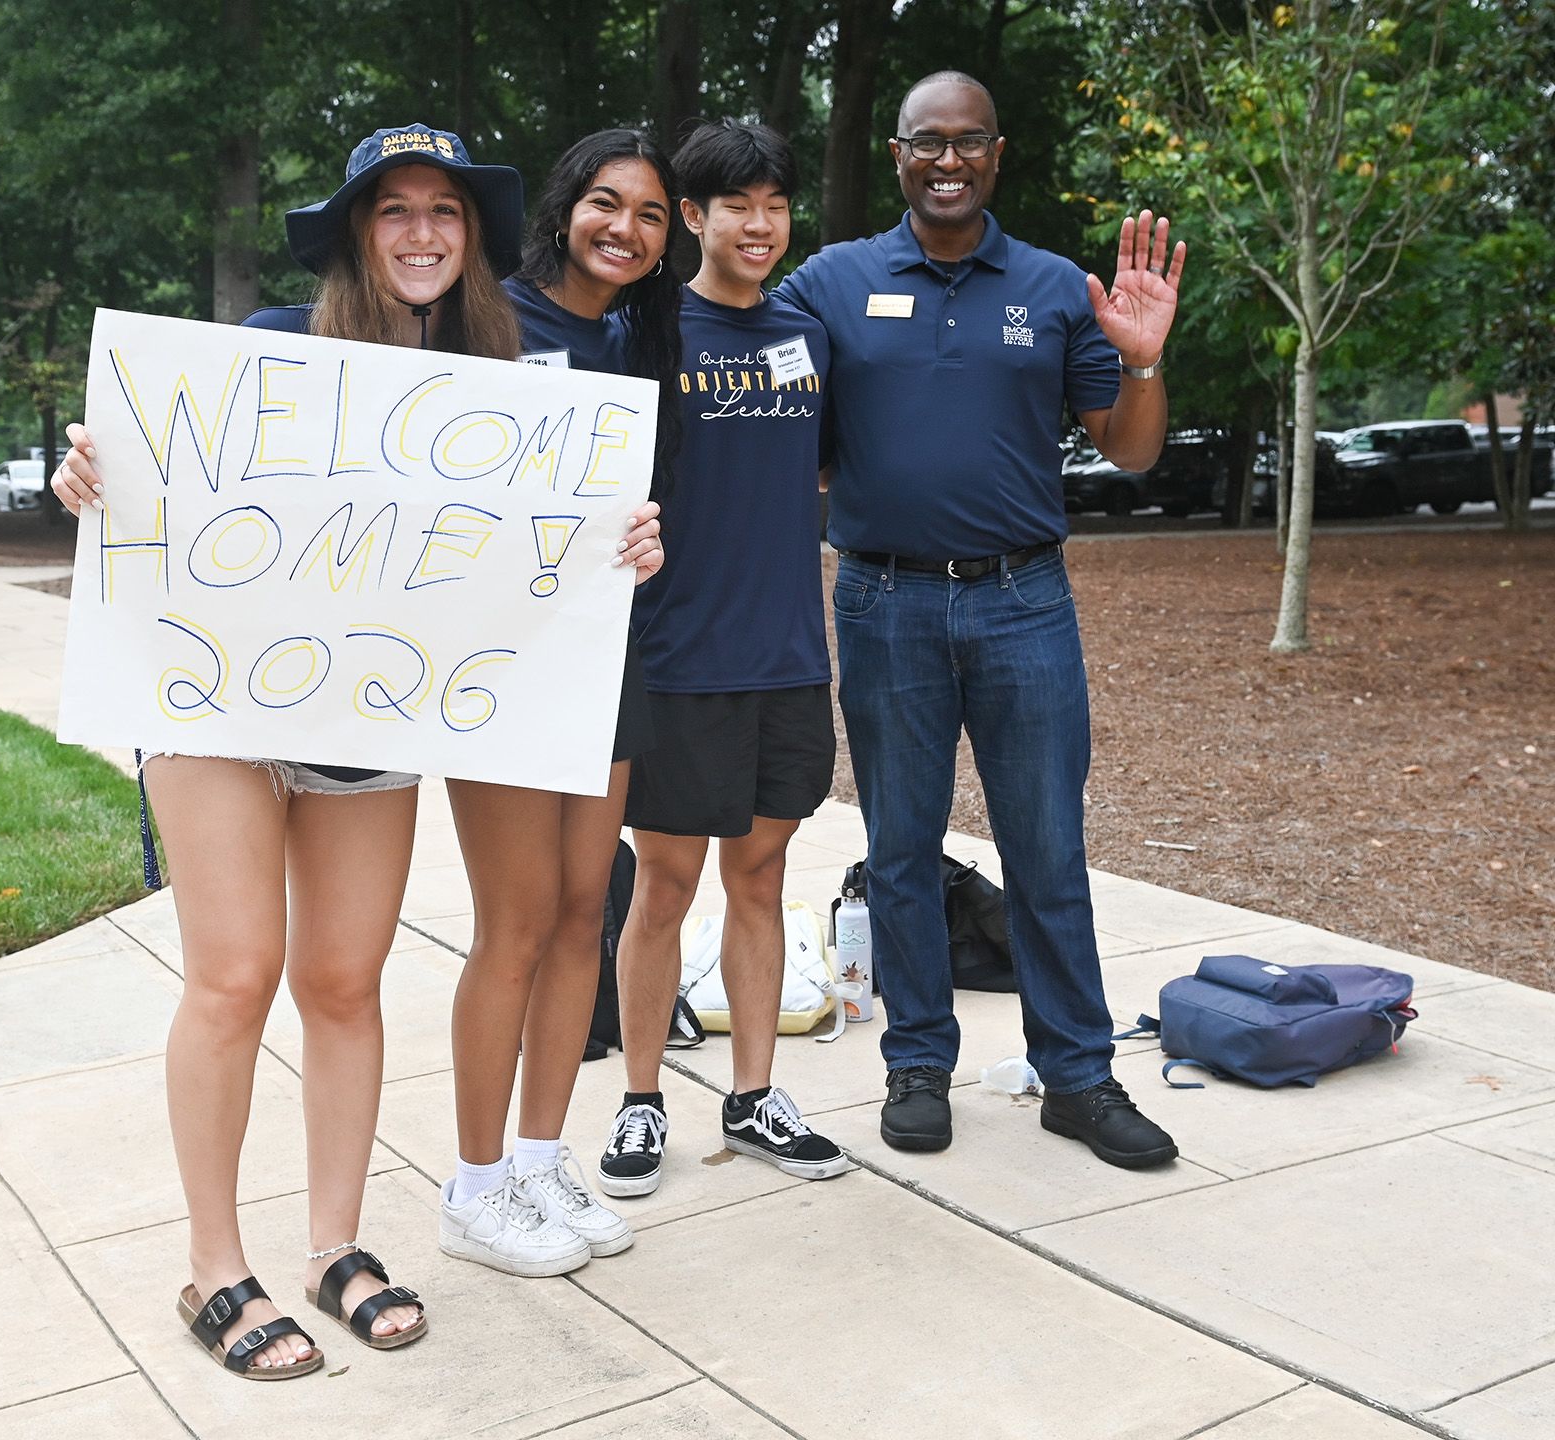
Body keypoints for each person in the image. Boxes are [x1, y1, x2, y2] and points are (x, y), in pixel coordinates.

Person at [49, 123, 665, 1376]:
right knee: (236, 973)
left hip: (364, 719)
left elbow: (528, 566)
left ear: (475, 238)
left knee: (344, 980)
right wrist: (90, 475)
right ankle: (213, 1267)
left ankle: (335, 1244)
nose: (424, 231)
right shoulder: (272, 350)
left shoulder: (502, 385)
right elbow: (154, 465)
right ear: (354, 232)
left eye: (447, 210)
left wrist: (619, 549)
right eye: (395, 210)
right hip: (217, 708)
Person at [775, 72, 1187, 1168]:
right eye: (926, 143)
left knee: (1046, 847)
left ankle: (1078, 1078)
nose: (946, 161)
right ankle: (918, 1063)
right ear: (897, 155)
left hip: (1022, 602)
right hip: (882, 598)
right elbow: (762, 404)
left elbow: (1132, 448)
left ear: (996, 156)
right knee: (900, 847)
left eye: (967, 144)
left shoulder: (1055, 288)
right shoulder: (831, 281)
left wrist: (1141, 354)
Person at [431, 128, 682, 1278]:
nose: (623, 228)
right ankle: (472, 1184)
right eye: (605, 202)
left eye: (648, 214)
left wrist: (641, 535)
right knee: (517, 923)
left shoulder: (638, 336)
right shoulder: (486, 316)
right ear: (564, 207)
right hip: (497, 666)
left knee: (587, 907)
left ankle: (539, 1158)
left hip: (604, 654)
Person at [601, 120, 850, 1198]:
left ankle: (754, 1098)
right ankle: (642, 1102)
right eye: (735, 206)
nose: (759, 225)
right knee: (663, 888)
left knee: (762, 878)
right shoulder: (643, 336)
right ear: (691, 218)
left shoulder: (808, 337)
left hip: (790, 655)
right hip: (675, 657)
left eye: (775, 205)